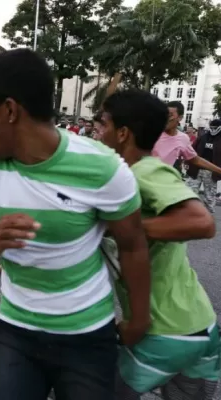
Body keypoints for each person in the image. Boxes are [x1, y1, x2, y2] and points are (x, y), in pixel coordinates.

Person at [0, 49, 152, 400]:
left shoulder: (102, 167)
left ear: (11, 110)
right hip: (16, 333)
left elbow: (133, 245)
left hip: (87, 336)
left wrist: (138, 318)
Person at [99, 89, 219, 400]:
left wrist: (124, 227)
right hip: (199, 327)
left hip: (163, 332)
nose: (97, 133)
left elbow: (201, 223)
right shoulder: (122, 177)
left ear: (122, 133)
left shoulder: (144, 170)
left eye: (102, 125)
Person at [153, 101, 221, 179]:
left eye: (170, 115)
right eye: (164, 115)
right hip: (141, 178)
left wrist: (219, 170)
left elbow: (195, 159)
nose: (166, 118)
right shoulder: (152, 133)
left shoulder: (182, 138)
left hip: (162, 181)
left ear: (180, 118)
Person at [185, 118, 221, 213]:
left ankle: (208, 217)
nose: (213, 129)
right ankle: (190, 213)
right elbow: (192, 150)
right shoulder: (203, 137)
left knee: (209, 197)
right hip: (196, 169)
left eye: (215, 127)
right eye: (212, 127)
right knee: (190, 192)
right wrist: (187, 163)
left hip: (212, 172)